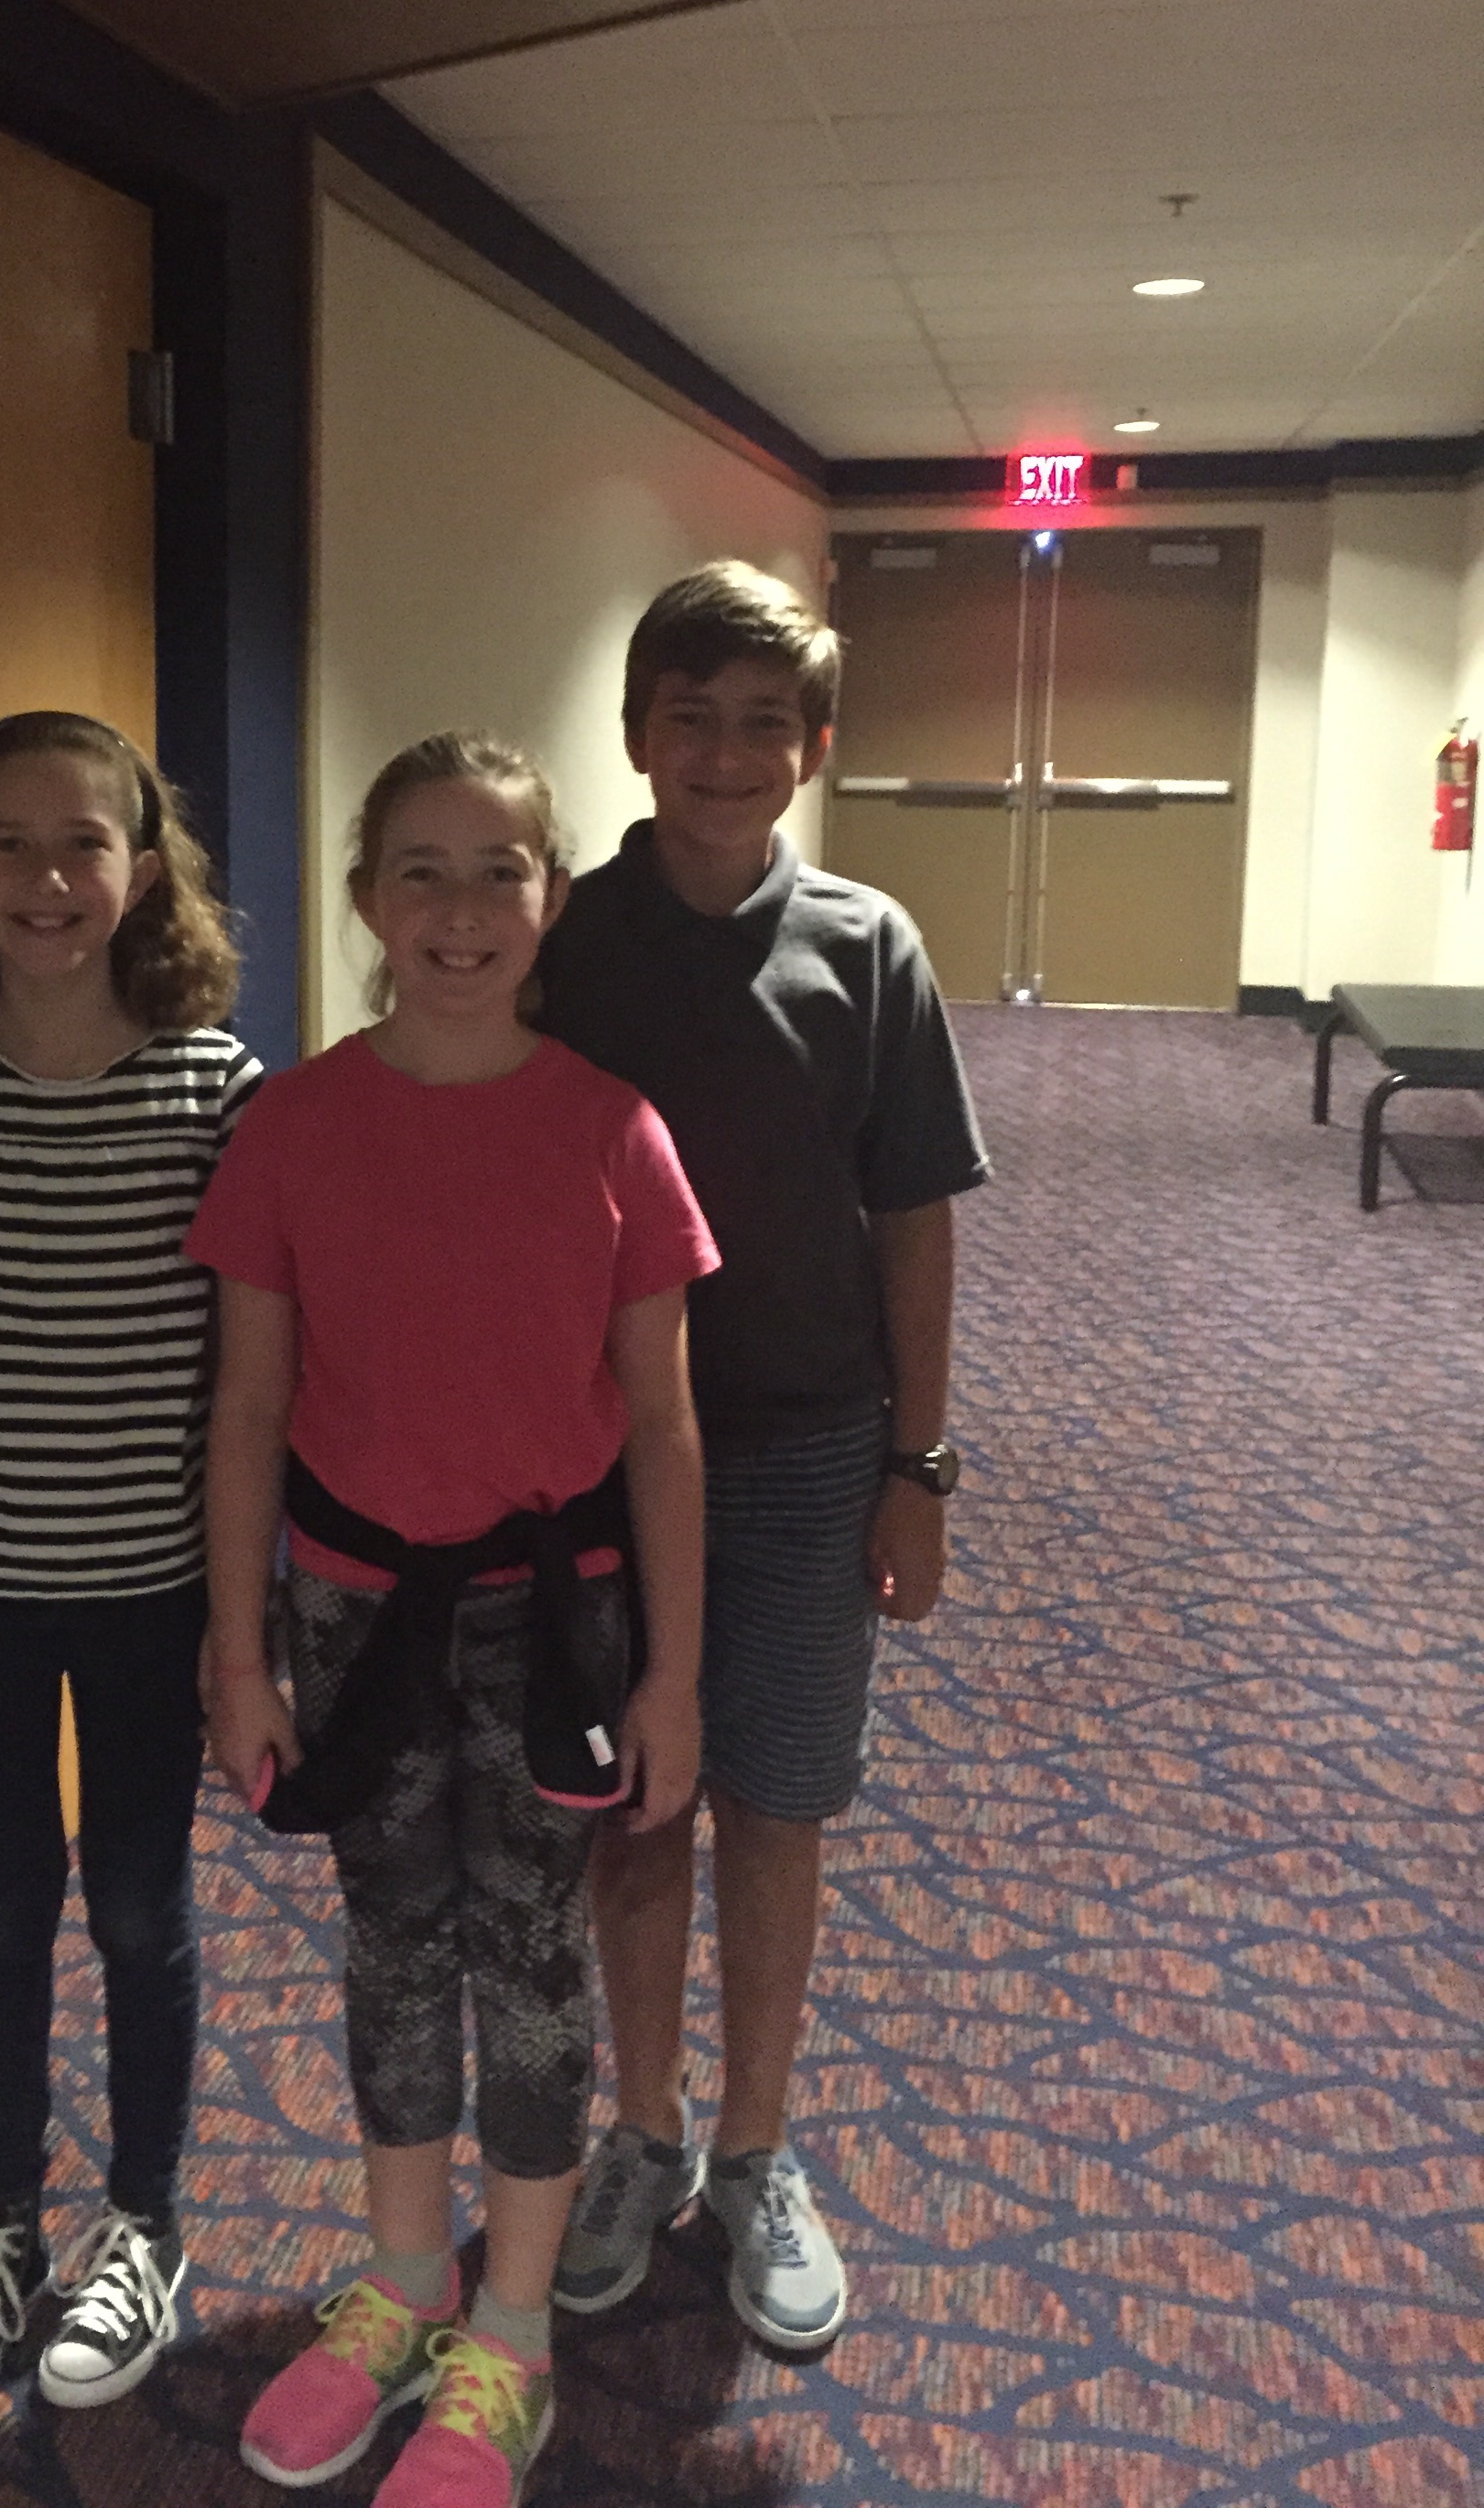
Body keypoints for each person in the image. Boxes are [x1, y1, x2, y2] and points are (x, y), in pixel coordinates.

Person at [190, 731, 717, 2507]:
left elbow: (664, 1427)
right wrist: (240, 1653)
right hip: (353, 1618)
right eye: (421, 869)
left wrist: (675, 1677)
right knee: (394, 1944)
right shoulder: (293, 1124)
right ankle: (405, 2277)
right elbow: (249, 1408)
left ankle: (512, 2332)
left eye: (501, 871)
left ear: (550, 900)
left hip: (553, 1625)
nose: (462, 908)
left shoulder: (614, 1130)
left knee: (532, 1956)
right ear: (365, 900)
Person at [536, 560, 988, 2354]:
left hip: (808, 1449)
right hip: (599, 1454)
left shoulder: (869, 947)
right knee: (636, 1801)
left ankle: (753, 2147)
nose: (723, 755)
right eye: (688, 719)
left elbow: (915, 1219)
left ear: (814, 745)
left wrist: (920, 1466)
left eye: (762, 725)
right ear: (635, 734)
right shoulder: (565, 941)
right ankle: (643, 2132)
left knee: (777, 1804)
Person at [0, 711, 260, 2425]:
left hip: (157, 1586)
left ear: (140, 873)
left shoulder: (217, 1087)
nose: (44, 877)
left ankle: (143, 2226)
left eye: (80, 841)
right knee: (3, 1908)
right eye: (4, 845)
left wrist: (242, 1624)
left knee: (144, 1907)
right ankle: (1, 2227)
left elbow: (252, 1380)